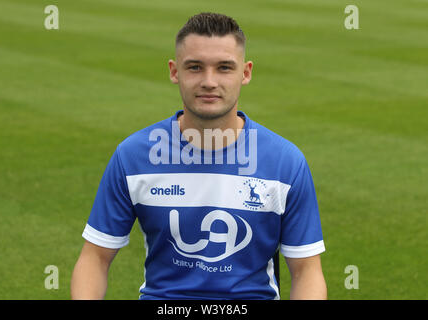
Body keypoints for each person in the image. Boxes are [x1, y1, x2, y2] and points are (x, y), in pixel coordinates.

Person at [71, 12, 327, 300]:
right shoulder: (133, 157)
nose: (208, 81)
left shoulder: (285, 162)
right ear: (174, 71)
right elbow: (95, 257)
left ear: (245, 73)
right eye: (194, 67)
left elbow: (306, 270)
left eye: (224, 68)